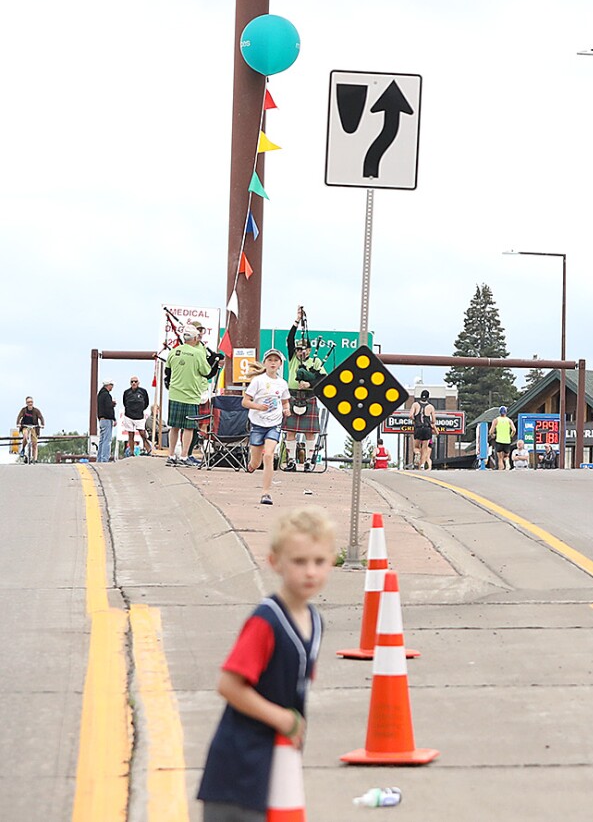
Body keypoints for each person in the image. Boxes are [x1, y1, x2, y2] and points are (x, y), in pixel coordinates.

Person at [196, 507, 334, 821]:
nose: (310, 572)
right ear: (275, 562)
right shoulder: (266, 621)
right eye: (299, 561)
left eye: (319, 561)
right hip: (237, 769)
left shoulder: (315, 621)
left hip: (275, 764)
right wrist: (284, 719)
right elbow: (229, 686)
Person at [242, 349, 290, 505]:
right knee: (256, 461)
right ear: (265, 363)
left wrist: (286, 409)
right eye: (270, 360)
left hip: (274, 423)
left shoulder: (282, 383)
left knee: (268, 455)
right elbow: (245, 402)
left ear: (280, 364)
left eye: (276, 360)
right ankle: (251, 465)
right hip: (257, 422)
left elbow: (285, 400)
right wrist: (258, 406)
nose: (273, 363)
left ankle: (266, 493)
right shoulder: (258, 381)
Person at [285, 307, 327, 468]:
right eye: (298, 349)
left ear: (309, 349)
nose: (301, 352)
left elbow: (323, 380)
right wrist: (296, 320)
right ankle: (290, 461)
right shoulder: (293, 358)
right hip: (293, 395)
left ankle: (309, 461)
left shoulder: (315, 362)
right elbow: (289, 339)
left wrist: (310, 384)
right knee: (291, 431)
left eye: (303, 349)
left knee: (310, 432)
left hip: (309, 397)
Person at [165, 326, 213, 465]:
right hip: (191, 395)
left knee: (173, 426)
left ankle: (171, 455)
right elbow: (207, 372)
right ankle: (185, 456)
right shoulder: (198, 354)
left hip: (174, 393)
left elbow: (168, 372)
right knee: (189, 427)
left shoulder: (174, 352)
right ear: (195, 338)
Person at [121, 376, 151, 458]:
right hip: (129, 416)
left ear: (138, 383)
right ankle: (131, 451)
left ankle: (148, 449)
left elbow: (146, 403)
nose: (134, 383)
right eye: (132, 382)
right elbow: (124, 402)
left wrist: (140, 409)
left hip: (139, 416)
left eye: (135, 381)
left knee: (142, 434)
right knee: (131, 434)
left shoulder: (143, 391)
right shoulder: (126, 392)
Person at [411, 392, 436, 470]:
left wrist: (415, 420)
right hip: (427, 429)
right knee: (425, 448)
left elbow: (410, 415)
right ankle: (422, 464)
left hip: (418, 427)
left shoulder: (415, 405)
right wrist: (431, 423)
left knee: (416, 447)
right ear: (428, 398)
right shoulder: (431, 407)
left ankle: (417, 453)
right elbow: (434, 420)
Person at [15, 397, 45, 463]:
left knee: (34, 443)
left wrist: (42, 424)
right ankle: (23, 449)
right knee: (25, 436)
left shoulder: (36, 410)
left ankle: (35, 458)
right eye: (28, 402)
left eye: (31, 402)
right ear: (26, 403)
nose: (30, 403)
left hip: (34, 427)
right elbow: (19, 416)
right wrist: (18, 424)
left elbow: (41, 417)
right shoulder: (24, 410)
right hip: (25, 426)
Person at [96, 381, 117, 462]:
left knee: (101, 440)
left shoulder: (100, 395)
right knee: (107, 440)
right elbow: (108, 408)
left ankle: (99, 458)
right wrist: (113, 417)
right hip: (107, 419)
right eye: (112, 385)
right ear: (108, 385)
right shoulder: (107, 395)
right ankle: (105, 459)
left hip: (101, 419)